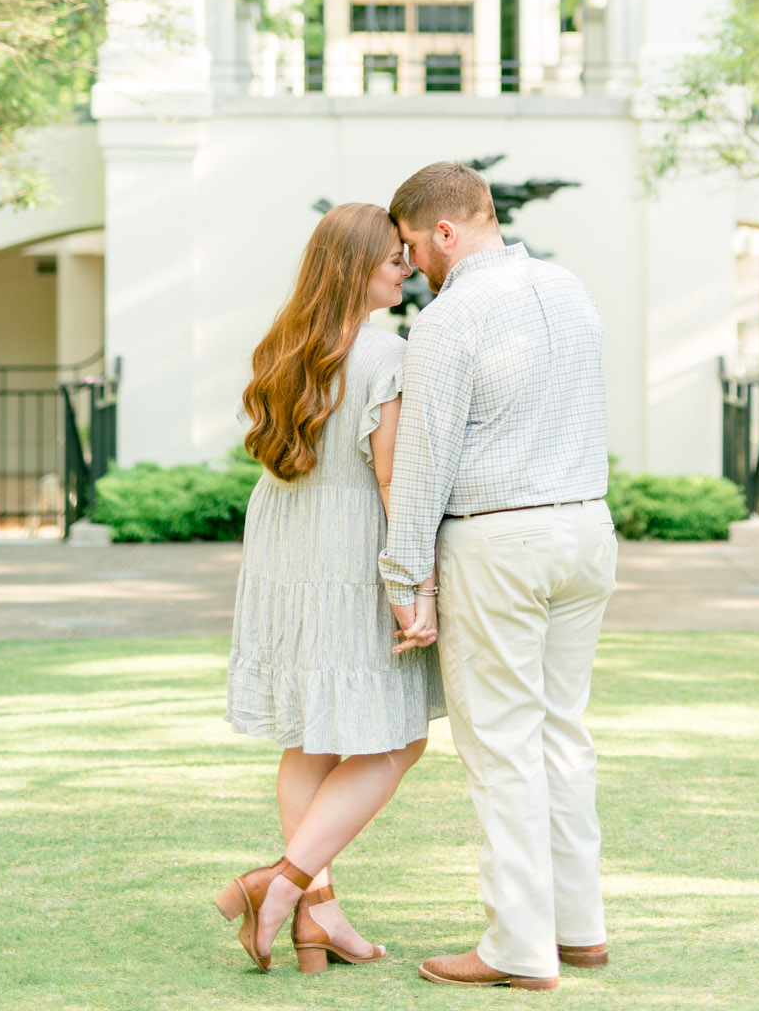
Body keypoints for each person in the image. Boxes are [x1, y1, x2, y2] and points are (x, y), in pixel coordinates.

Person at [382, 161, 615, 992]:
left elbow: (423, 461)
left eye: (412, 244)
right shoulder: (570, 289)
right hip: (586, 527)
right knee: (562, 734)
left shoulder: (451, 318)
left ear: (445, 230)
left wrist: (405, 579)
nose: (411, 264)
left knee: (502, 747)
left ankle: (518, 946)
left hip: (499, 539)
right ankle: (577, 927)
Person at [218, 201, 444, 974]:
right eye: (392, 255)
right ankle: (280, 887)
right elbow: (390, 478)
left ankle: (320, 915)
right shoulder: (388, 355)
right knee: (399, 736)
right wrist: (412, 583)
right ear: (352, 264)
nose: (407, 265)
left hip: (287, 542)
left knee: (309, 735)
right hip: (346, 550)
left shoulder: (285, 345)